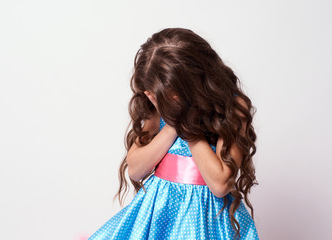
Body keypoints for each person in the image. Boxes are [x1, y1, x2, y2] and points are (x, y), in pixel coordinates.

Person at [87, 27, 260, 240]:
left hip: (208, 219)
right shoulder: (160, 104)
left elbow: (220, 184)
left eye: (171, 98)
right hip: (159, 213)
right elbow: (135, 169)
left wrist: (186, 123)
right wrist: (172, 122)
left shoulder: (232, 106)